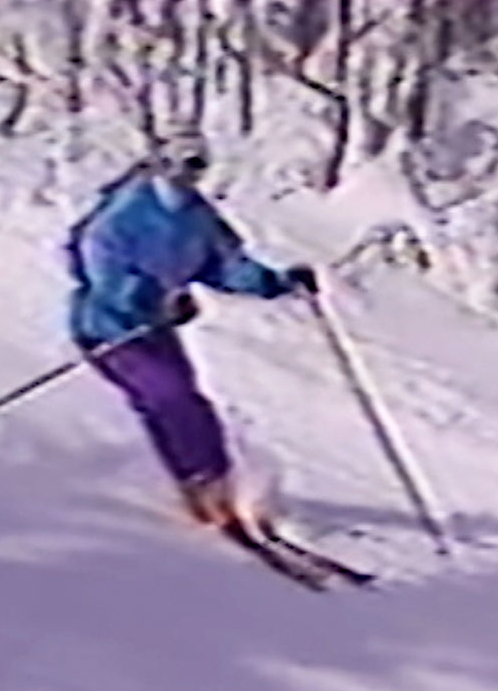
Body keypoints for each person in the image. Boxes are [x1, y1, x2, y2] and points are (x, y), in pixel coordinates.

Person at [65, 132, 319, 531]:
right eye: (180, 164)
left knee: (190, 404)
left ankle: (216, 484)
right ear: (160, 164)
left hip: (158, 327)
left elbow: (224, 264)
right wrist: (150, 299)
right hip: (109, 329)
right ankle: (199, 486)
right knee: (169, 396)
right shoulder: (122, 214)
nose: (187, 175)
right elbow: (102, 273)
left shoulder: (198, 217)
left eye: (197, 166)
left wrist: (276, 282)